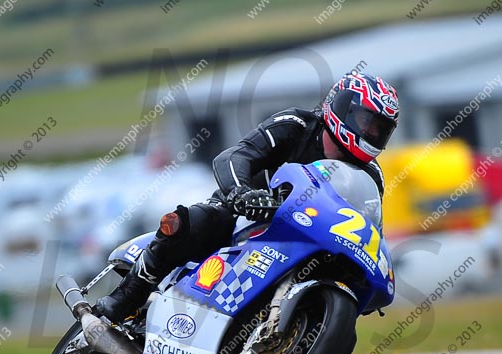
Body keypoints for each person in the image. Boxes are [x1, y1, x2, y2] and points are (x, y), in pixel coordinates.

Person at [96, 72, 400, 323]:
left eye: (380, 129)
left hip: (306, 236)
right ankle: (127, 298)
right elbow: (236, 156)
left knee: (345, 339)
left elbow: (368, 227)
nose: (372, 133)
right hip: (245, 214)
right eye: (366, 121)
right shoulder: (296, 125)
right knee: (188, 222)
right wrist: (241, 193)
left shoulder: (371, 176)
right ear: (343, 108)